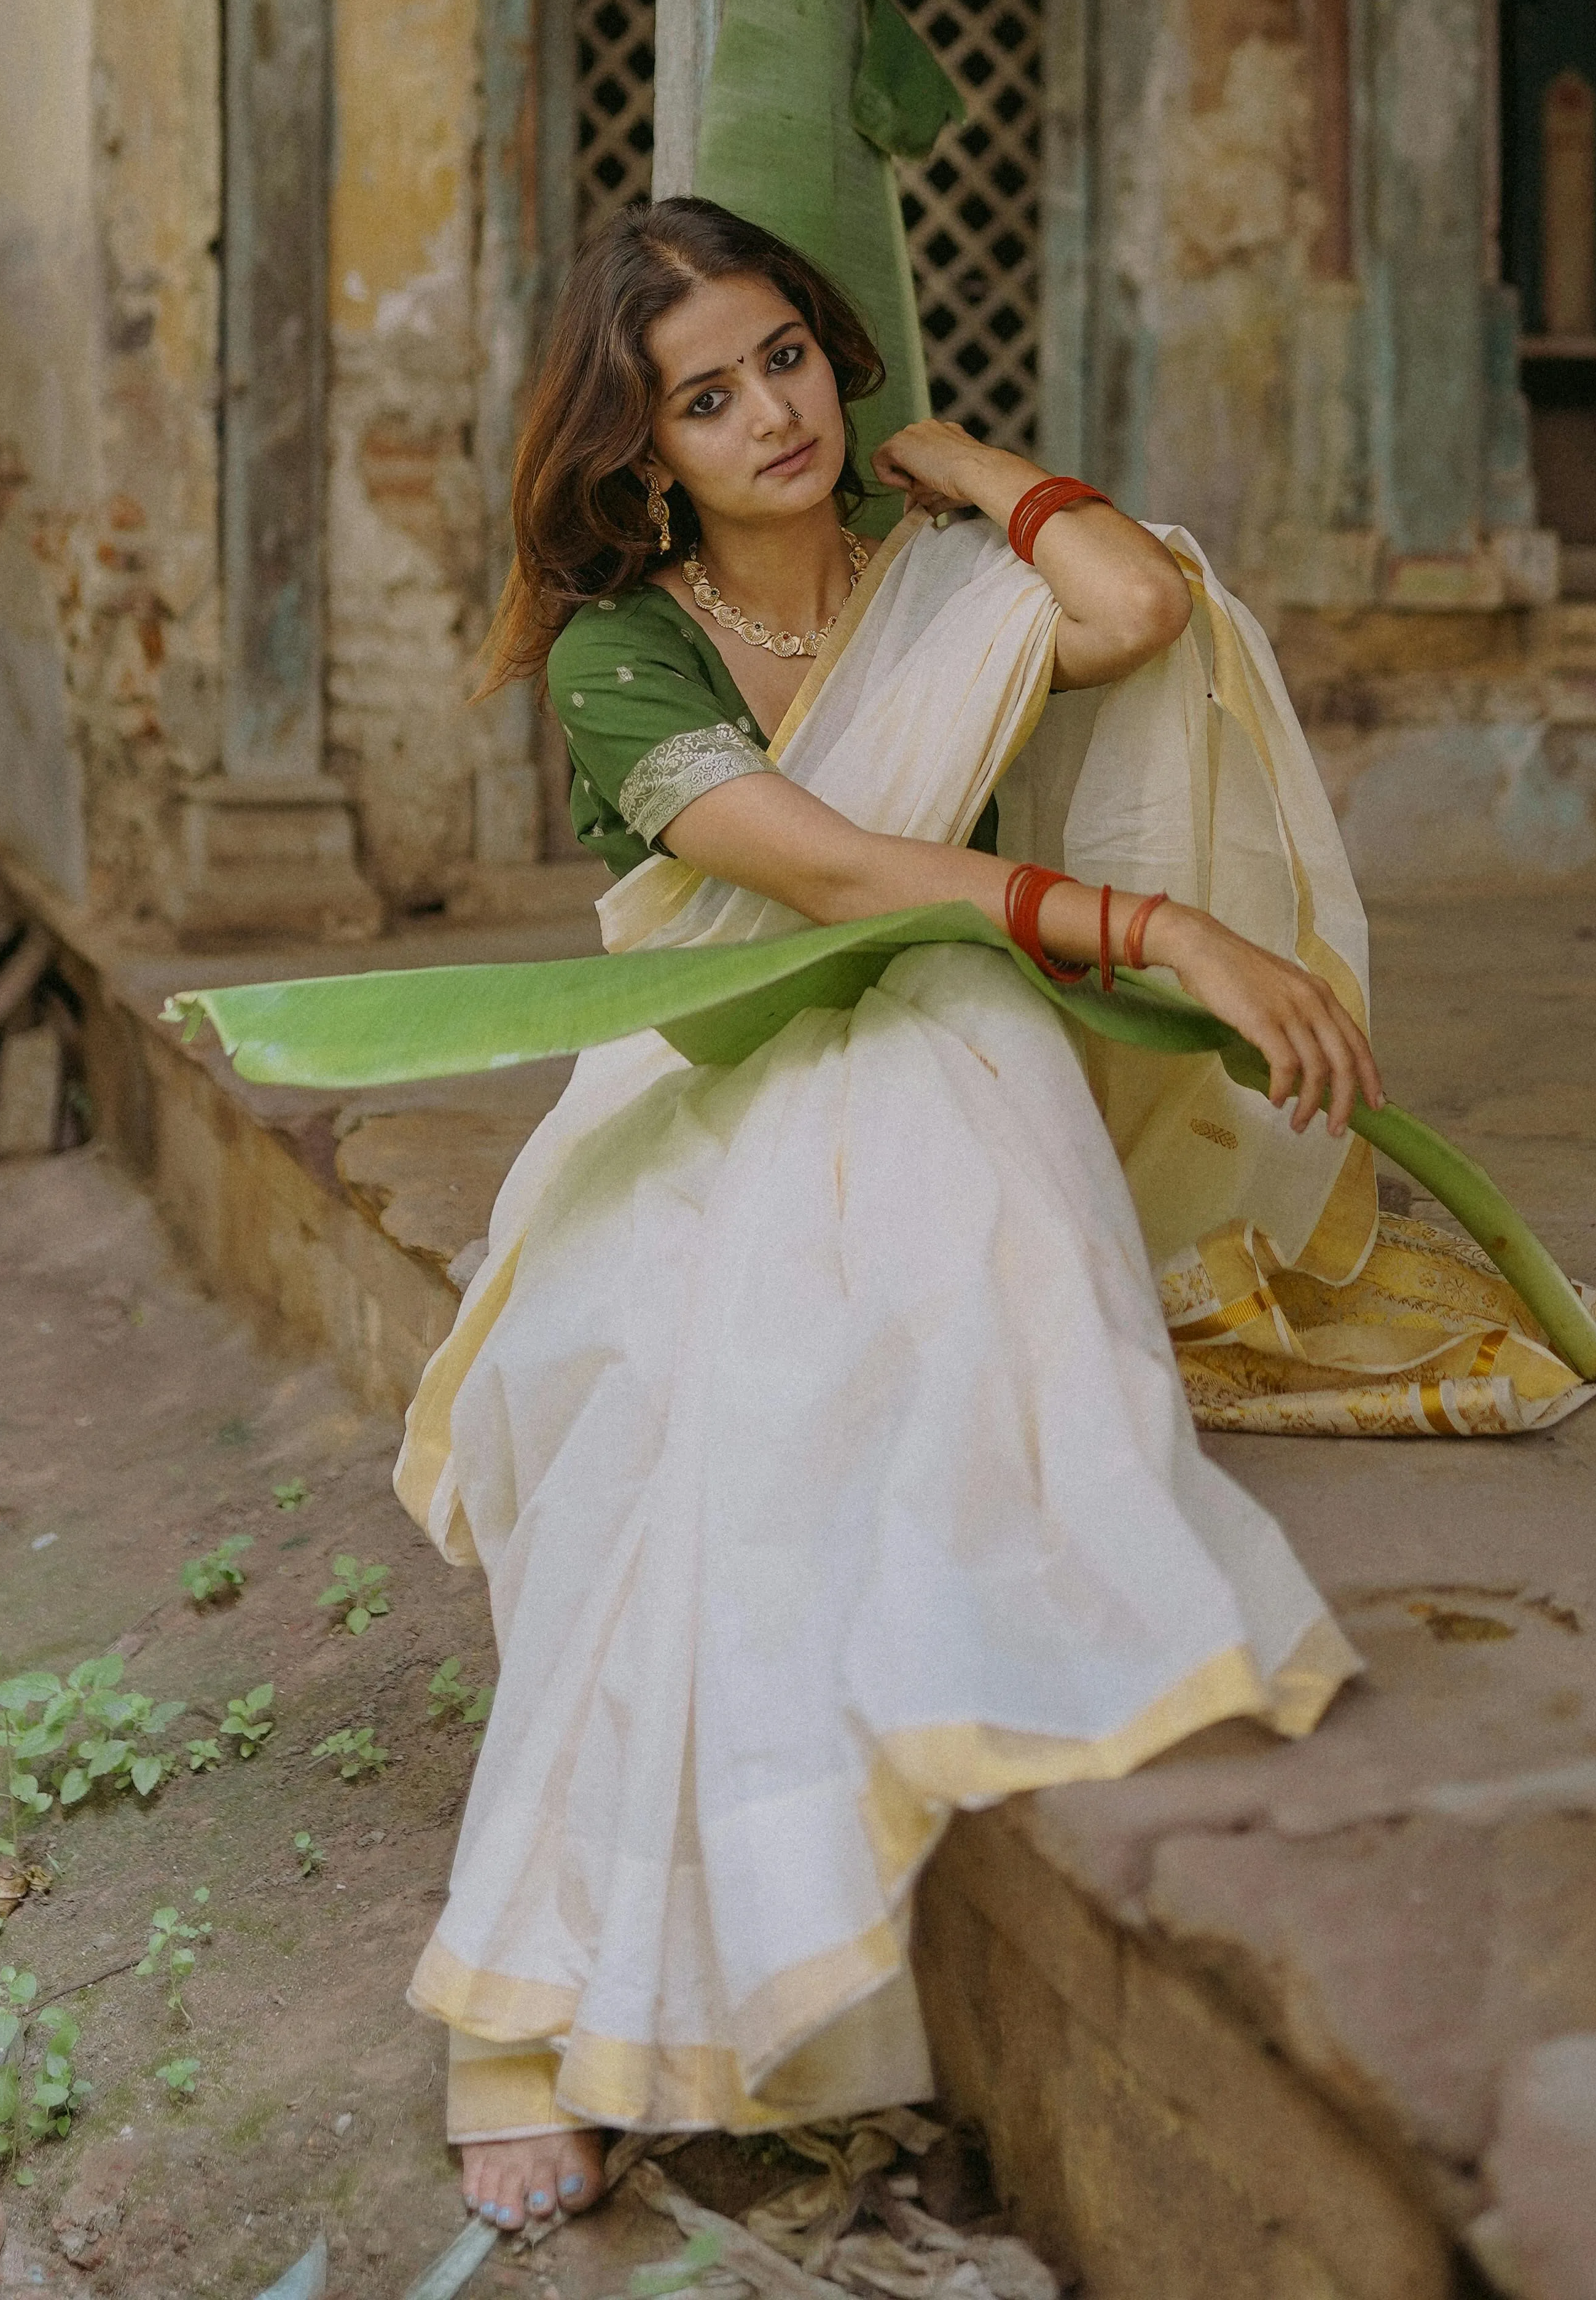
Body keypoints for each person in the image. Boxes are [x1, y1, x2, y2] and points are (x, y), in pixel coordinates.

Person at [401, 193, 1407, 2236]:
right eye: (704, 394)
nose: (766, 411)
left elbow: (1131, 610)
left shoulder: (935, 567)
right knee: (662, 1396)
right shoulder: (622, 651)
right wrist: (1159, 931)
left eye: (784, 357)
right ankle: (519, 2011)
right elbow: (839, 875)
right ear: (637, 448)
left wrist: (972, 468)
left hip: (944, 1030)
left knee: (922, 1274)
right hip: (704, 1062)